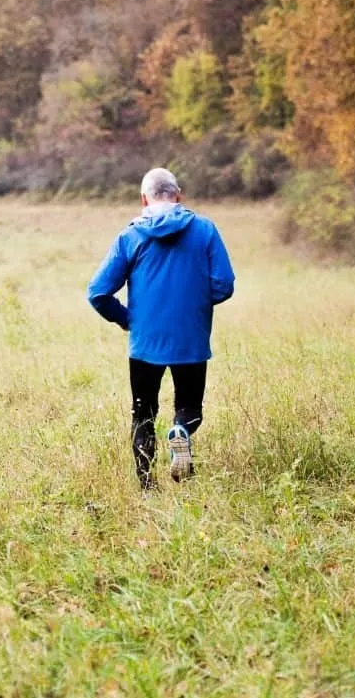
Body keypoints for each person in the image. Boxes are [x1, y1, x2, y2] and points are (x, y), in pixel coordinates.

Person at [87, 168, 234, 489]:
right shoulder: (205, 230)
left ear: (143, 199)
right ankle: (181, 430)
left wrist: (128, 320)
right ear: (178, 195)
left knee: (143, 414)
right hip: (191, 339)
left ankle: (147, 487)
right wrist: (193, 304)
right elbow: (224, 285)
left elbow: (97, 292)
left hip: (145, 342)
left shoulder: (130, 236)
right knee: (190, 407)